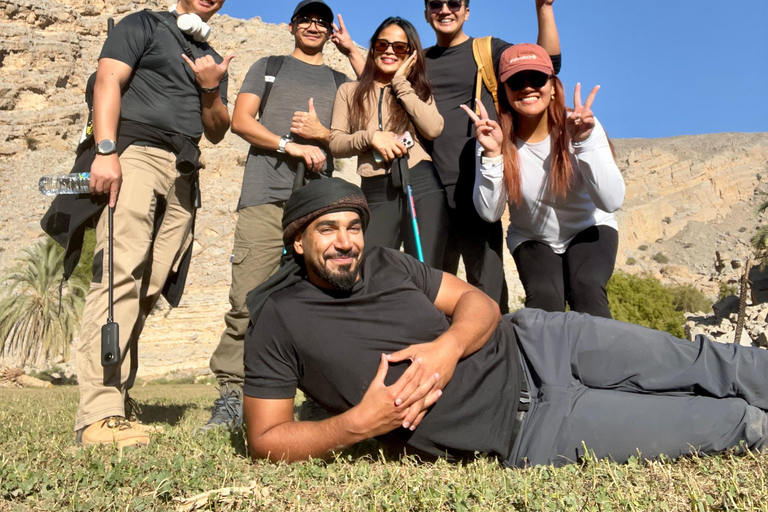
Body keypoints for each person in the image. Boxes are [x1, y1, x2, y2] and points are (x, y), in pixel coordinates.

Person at [242, 178, 768, 467]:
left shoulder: (385, 262)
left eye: (353, 226)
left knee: (704, 359)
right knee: (729, 425)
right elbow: (266, 438)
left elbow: (479, 304)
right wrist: (358, 425)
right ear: (297, 242)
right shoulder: (278, 320)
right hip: (528, 430)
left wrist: (446, 349)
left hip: (543, 343)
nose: (345, 241)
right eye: (327, 229)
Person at [73, 0, 233, 449]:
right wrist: (106, 151)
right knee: (119, 274)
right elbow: (108, 79)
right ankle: (98, 415)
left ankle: (117, 396)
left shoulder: (211, 55)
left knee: (150, 284)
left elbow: (218, 129)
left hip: (184, 172)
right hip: (135, 154)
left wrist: (210, 88)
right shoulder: (142, 23)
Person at [202, 0, 365, 432]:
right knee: (247, 297)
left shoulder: (339, 79)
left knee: (318, 300)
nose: (314, 26)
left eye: (322, 22)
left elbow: (373, 96)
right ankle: (233, 397)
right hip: (264, 197)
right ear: (292, 26)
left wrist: (351, 50)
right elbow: (240, 121)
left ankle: (321, 398)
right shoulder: (268, 66)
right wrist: (290, 145)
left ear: (330, 32)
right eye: (306, 19)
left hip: (317, 205)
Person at [466, 44, 625, 317]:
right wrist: (492, 155)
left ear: (552, 86)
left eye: (537, 79)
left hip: (588, 228)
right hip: (532, 237)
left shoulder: (581, 126)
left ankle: (600, 359)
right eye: (516, 81)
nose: (527, 88)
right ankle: (544, 361)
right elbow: (490, 213)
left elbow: (611, 201)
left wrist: (584, 142)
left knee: (586, 289)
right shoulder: (494, 138)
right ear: (504, 91)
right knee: (544, 302)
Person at [423, 0, 561, 312]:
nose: (445, 10)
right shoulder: (419, 61)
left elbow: (547, 63)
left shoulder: (487, 50)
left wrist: (544, 9)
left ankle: (496, 358)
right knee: (432, 291)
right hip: (430, 191)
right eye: (435, 4)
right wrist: (352, 52)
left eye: (454, 3)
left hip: (479, 190)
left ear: (467, 11)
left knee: (487, 293)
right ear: (427, 13)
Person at [329, 17, 447, 267]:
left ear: (411, 55)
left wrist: (402, 85)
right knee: (372, 269)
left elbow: (434, 128)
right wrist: (370, 137)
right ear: (372, 49)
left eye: (400, 47)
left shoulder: (417, 90)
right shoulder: (349, 91)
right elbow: (336, 143)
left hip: (420, 183)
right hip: (375, 188)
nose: (390, 51)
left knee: (426, 269)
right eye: (383, 45)